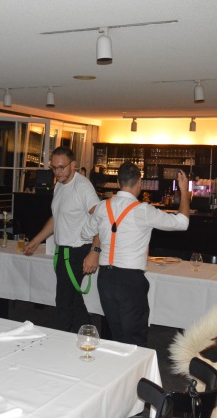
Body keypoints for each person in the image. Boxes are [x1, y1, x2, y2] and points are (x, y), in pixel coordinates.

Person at [81, 162, 189, 346]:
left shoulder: (102, 207)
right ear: (139, 182)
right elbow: (182, 222)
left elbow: (85, 233)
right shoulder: (143, 210)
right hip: (130, 280)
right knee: (135, 338)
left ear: (118, 182)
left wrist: (100, 236)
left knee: (117, 335)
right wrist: (184, 190)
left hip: (105, 279)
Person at [24, 147, 100, 332]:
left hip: (78, 251)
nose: (57, 172)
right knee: (72, 300)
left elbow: (100, 219)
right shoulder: (59, 185)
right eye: (54, 167)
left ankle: (59, 340)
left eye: (61, 167)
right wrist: (37, 240)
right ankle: (89, 336)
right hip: (63, 251)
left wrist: (95, 251)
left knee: (64, 302)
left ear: (73, 165)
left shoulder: (82, 187)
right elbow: (56, 218)